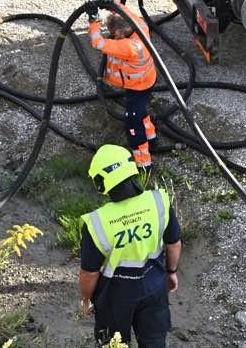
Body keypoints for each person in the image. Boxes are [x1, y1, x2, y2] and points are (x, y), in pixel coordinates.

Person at [79, 144, 181, 347]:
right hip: (153, 288)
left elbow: (89, 273)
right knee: (154, 342)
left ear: (101, 183)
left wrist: (86, 299)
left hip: (113, 298)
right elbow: (174, 244)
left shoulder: (98, 222)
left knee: (113, 343)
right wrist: (171, 272)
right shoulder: (158, 202)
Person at [88, 0, 158, 169]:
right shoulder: (140, 26)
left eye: (114, 33)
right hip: (146, 81)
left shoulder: (128, 46)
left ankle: (144, 163)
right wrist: (112, 4)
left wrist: (93, 21)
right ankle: (152, 138)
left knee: (132, 124)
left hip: (138, 87)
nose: (113, 36)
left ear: (121, 31)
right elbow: (127, 12)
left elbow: (98, 42)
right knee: (140, 111)